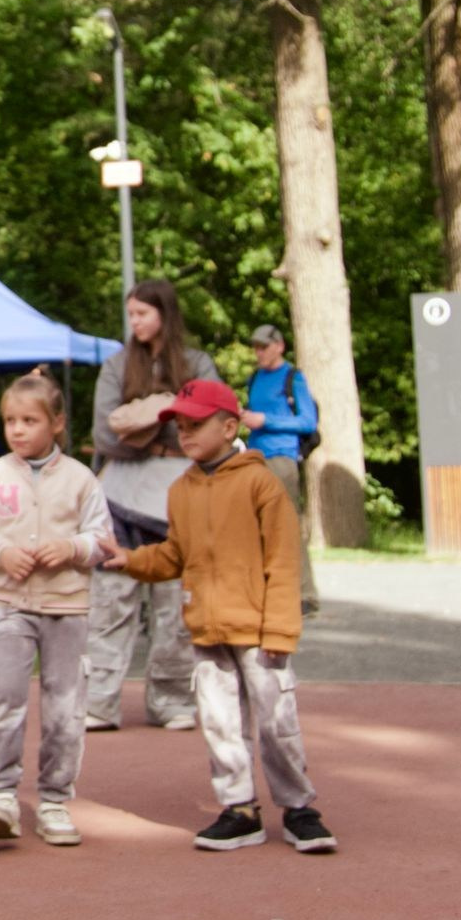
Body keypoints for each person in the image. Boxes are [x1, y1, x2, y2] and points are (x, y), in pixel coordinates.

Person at [99, 379, 338, 854]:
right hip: (207, 629)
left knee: (275, 722)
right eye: (180, 426)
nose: (185, 435)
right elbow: (175, 555)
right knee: (221, 722)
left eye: (196, 425)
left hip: (259, 631)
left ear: (229, 427)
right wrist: (132, 560)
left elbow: (284, 561)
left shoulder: (260, 482)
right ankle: (240, 808)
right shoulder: (181, 490)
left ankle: (298, 809)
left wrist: (280, 629)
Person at [0, 372, 109, 848]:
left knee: (65, 707)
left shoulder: (82, 479)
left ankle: (56, 799)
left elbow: (103, 538)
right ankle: (1, 794)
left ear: (56, 422)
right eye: (10, 421)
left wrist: (74, 548)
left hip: (68, 608)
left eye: (29, 420)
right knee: (7, 700)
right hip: (10, 608)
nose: (17, 430)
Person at [84, 279, 217, 732]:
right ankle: (99, 703)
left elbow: (212, 424)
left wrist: (149, 420)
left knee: (175, 607)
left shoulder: (197, 363)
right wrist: (160, 419)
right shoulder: (118, 365)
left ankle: (172, 701)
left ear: (165, 313)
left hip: (181, 495)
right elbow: (104, 434)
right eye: (132, 314)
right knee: (110, 602)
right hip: (120, 498)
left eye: (143, 313)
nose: (135, 322)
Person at [241, 324, 322, 617]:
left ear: (279, 346)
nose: (259, 352)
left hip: (282, 458)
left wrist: (266, 420)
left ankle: (305, 595)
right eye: (256, 347)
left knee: (287, 524)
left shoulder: (293, 377)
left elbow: (307, 422)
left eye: (264, 346)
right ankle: (264, 592)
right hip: (254, 458)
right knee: (252, 527)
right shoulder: (255, 378)